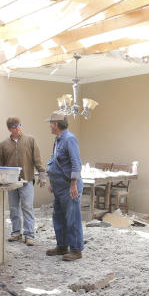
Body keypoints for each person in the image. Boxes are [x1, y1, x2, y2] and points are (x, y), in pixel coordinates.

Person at [0, 117, 45, 246]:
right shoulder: (3, 145)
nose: (17, 128)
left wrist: (42, 173)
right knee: (13, 208)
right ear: (9, 129)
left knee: (27, 207)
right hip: (10, 182)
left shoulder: (30, 140)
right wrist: (0, 181)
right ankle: (16, 233)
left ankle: (29, 235)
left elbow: (37, 159)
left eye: (19, 125)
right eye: (14, 127)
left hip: (26, 180)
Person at [45, 112, 83, 261]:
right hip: (59, 187)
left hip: (69, 187)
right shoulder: (58, 140)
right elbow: (55, 161)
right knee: (59, 217)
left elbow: (76, 163)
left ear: (56, 125)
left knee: (72, 218)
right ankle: (62, 246)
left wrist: (73, 184)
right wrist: (52, 181)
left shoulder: (70, 139)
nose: (49, 126)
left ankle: (76, 250)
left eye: (50, 123)